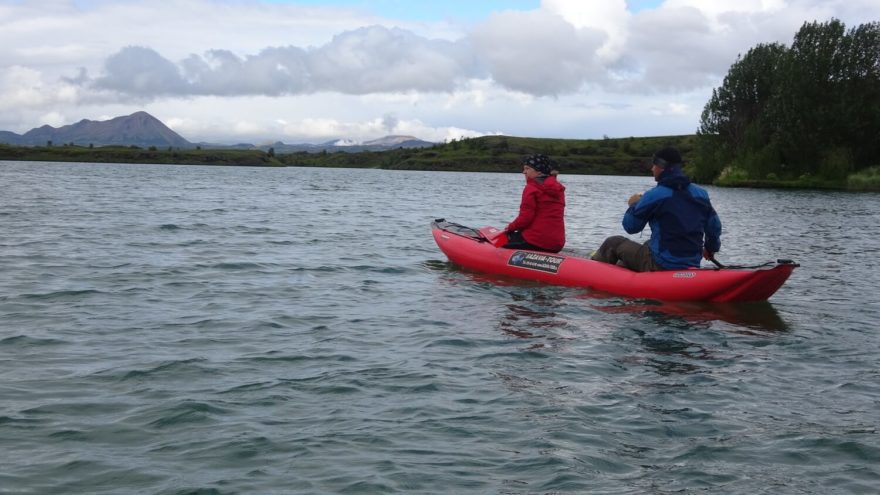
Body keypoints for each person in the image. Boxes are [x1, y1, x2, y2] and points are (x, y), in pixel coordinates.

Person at [591, 146, 721, 271]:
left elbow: (630, 227)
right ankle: (623, 267)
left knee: (613, 243)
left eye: (654, 165)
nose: (652, 169)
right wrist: (710, 248)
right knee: (649, 243)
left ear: (662, 167)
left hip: (661, 265)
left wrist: (634, 205)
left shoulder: (654, 195)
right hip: (691, 263)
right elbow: (714, 227)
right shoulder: (701, 194)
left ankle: (589, 270)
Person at [502, 154, 566, 253]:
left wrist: (509, 228)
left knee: (500, 243)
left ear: (539, 171)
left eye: (527, 168)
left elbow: (525, 218)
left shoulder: (531, 188)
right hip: (557, 243)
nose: (524, 172)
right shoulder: (558, 189)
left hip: (535, 240)